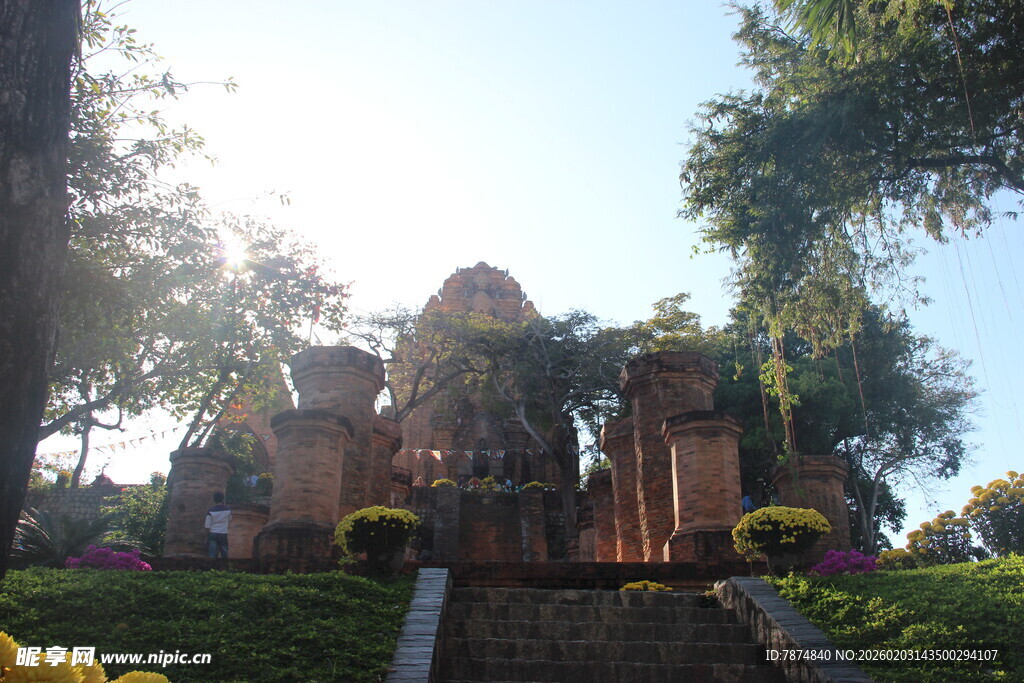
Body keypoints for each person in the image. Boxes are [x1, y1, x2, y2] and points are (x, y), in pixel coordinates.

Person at [205, 492, 231, 558]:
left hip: (213, 532)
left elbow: (207, 525)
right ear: (223, 499)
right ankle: (225, 567)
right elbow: (229, 519)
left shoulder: (210, 511)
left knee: (212, 553)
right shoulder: (228, 509)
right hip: (223, 532)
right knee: (224, 551)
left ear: (214, 500)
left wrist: (207, 535)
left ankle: (212, 567)